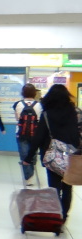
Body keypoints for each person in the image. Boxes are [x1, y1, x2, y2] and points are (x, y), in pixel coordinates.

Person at [25, 83, 81, 218]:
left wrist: (28, 157)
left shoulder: (47, 115)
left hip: (52, 155)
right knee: (68, 186)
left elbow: (38, 137)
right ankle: (63, 215)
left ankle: (55, 215)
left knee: (54, 187)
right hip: (71, 156)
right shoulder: (77, 113)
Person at [13, 84, 43, 186]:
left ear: (23, 92)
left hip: (21, 133)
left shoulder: (18, 104)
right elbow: (40, 119)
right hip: (35, 133)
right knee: (33, 154)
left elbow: (17, 119)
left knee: (24, 155)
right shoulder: (39, 105)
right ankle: (31, 173)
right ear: (34, 93)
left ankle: (28, 177)